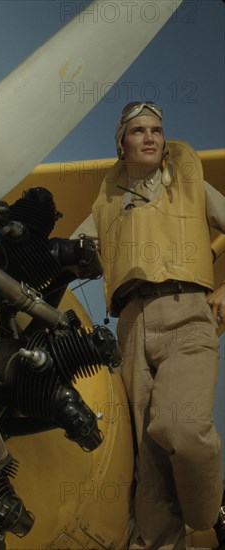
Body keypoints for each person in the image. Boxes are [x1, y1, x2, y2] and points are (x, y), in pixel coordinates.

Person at [76, 102, 225, 548]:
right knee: (150, 466)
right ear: (121, 145)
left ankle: (208, 512)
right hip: (131, 327)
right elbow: (64, 252)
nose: (150, 138)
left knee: (183, 429)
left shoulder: (193, 185)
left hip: (187, 314)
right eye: (139, 131)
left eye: (157, 130)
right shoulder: (106, 203)